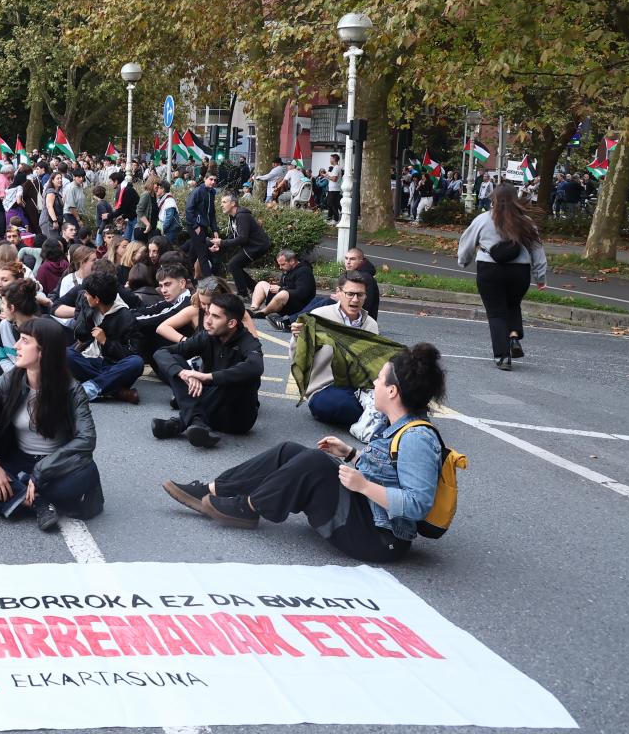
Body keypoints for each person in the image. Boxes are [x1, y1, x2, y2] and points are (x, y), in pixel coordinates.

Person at [163, 343, 447, 563]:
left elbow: (417, 504)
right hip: (367, 517)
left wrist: (364, 486)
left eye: (380, 379)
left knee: (314, 461)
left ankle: (247, 508)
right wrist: (350, 454)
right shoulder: (397, 425)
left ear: (393, 391)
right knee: (289, 450)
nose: (374, 383)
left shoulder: (417, 438)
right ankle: (214, 489)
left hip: (380, 540)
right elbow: (389, 470)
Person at [0, 316, 103, 531]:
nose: (16, 346)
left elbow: (86, 439)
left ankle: (10, 498)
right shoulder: (10, 380)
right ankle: (38, 502)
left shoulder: (71, 389)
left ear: (43, 352)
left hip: (56, 465)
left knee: (87, 471)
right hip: (16, 460)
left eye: (24, 340)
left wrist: (41, 470)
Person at [150, 290, 264, 448]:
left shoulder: (248, 342)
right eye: (208, 314)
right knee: (175, 363)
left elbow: (256, 367)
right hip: (211, 404)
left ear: (231, 323)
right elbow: (161, 353)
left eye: (215, 317)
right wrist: (183, 373)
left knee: (237, 378)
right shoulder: (207, 336)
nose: (207, 321)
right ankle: (197, 422)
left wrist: (207, 377)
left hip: (237, 417)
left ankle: (180, 423)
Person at [458, 183, 548, 370]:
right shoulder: (526, 222)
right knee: (513, 304)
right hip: (519, 272)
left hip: (490, 270)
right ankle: (514, 336)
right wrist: (540, 277)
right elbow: (537, 250)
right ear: (516, 200)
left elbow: (467, 242)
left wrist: (463, 261)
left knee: (496, 313)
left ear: (494, 199)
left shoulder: (483, 219)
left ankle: (503, 356)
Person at [289, 271, 389, 427]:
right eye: (350, 294)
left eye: (360, 295)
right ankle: (378, 419)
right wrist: (298, 338)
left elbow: (374, 363)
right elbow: (298, 356)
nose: (355, 299)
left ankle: (376, 417)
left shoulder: (370, 324)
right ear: (339, 293)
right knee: (342, 405)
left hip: (360, 388)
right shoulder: (319, 317)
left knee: (398, 398)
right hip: (325, 388)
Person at [67, 270, 144, 403]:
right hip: (91, 361)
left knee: (136, 362)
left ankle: (91, 388)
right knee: (65, 354)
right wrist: (84, 316)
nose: (85, 295)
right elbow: (81, 334)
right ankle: (117, 391)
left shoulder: (126, 317)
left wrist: (106, 342)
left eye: (87, 293)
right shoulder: (88, 304)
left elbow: (132, 353)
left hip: (114, 366)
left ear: (97, 299)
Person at [209, 193, 272, 298]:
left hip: (258, 246)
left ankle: (244, 294)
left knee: (233, 265)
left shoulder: (242, 216)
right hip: (251, 246)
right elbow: (234, 235)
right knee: (235, 265)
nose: (221, 205)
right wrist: (220, 244)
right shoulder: (233, 216)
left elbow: (242, 238)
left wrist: (222, 242)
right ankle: (255, 288)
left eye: (224, 202)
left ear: (233, 203)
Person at [247, 248, 317, 329]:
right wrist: (279, 288)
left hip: (297, 304)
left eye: (283, 264)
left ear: (292, 261)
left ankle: (263, 313)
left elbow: (302, 293)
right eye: (279, 265)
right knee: (261, 284)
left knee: (283, 293)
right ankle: (254, 308)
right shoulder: (288, 269)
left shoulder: (304, 271)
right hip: (283, 299)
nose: (280, 267)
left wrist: (281, 290)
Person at [343, 246, 381, 321]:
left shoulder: (364, 278)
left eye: (352, 259)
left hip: (361, 322)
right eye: (346, 258)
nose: (348, 262)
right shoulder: (355, 275)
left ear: (361, 261)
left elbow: (365, 305)